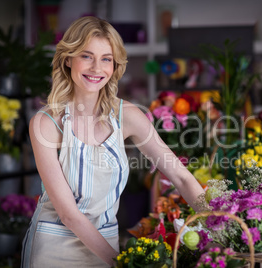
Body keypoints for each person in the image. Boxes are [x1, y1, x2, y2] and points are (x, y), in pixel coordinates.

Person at [21, 16, 205, 267]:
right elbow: (68, 214)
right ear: (67, 58)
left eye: (106, 59)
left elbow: (181, 177)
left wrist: (219, 222)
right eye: (86, 56)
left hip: (105, 242)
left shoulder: (127, 116)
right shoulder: (46, 123)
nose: (97, 68)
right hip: (55, 247)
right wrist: (120, 263)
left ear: (115, 65)